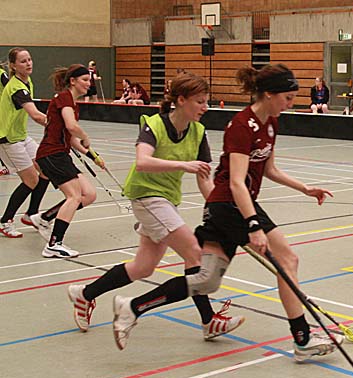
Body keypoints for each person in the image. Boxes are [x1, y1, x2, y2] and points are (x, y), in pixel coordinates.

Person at [111, 64, 343, 362]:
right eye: (287, 97)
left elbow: (269, 169)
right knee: (288, 259)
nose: (290, 103)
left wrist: (304, 188)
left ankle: (132, 307)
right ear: (269, 94)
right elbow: (235, 182)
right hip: (231, 205)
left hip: (232, 206)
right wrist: (253, 225)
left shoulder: (271, 123)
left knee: (206, 280)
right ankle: (302, 338)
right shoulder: (241, 126)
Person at [67, 72, 244, 340]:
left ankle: (84, 294)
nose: (205, 108)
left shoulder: (198, 132)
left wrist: (220, 211)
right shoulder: (155, 125)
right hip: (146, 196)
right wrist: (183, 164)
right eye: (199, 102)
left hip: (167, 200)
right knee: (195, 254)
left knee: (143, 267)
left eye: (206, 102)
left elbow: (204, 179)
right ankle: (208, 321)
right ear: (181, 100)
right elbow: (143, 162)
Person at [34, 65, 104, 258]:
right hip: (52, 154)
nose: (88, 84)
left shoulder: (73, 104)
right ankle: (54, 244)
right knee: (74, 196)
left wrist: (93, 156)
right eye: (85, 80)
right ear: (72, 81)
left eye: (90, 81)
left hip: (61, 154)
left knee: (89, 194)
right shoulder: (64, 98)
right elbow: (72, 127)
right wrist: (86, 136)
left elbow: (72, 139)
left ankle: (44, 218)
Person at [0, 48, 50, 238]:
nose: (28, 63)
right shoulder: (16, 88)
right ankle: (5, 221)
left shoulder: (27, 81)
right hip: (7, 139)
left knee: (46, 169)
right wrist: (58, 125)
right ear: (13, 66)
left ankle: (31, 214)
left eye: (29, 59)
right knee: (31, 180)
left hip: (21, 136)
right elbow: (36, 115)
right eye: (23, 61)